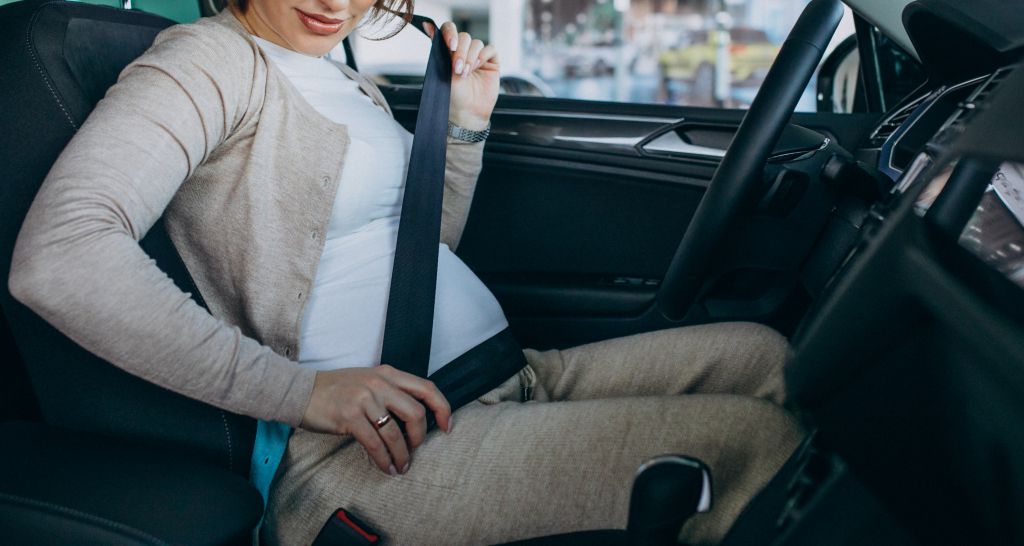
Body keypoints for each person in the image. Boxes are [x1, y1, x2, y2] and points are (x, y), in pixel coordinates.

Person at [8, 0, 803, 544]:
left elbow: (416, 256)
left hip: (502, 378)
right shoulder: (211, 60)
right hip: (374, 454)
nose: (336, 2)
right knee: (750, 446)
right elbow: (61, 255)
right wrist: (302, 391)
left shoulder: (346, 79)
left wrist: (467, 126)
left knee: (768, 357)